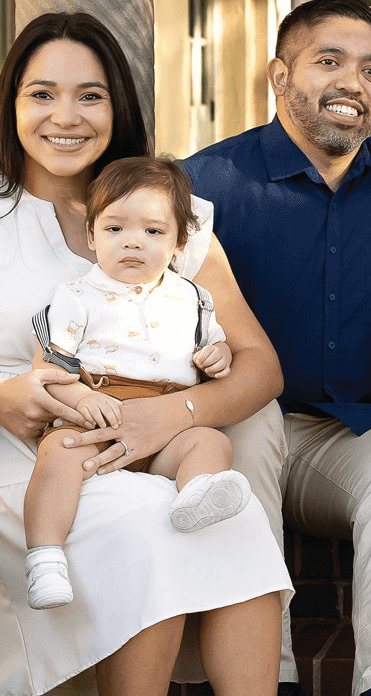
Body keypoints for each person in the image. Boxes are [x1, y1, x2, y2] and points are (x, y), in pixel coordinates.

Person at [0, 11, 288, 696]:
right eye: (42, 93)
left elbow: (259, 366)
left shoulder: (165, 220)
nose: (66, 116)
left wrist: (173, 415)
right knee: (146, 518)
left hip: (131, 468)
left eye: (89, 95)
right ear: (11, 105)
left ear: (117, 106)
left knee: (230, 513)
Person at [183, 0, 371, 696]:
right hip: (234, 428)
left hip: (346, 432)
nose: (352, 83)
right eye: (329, 61)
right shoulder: (202, 186)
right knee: (250, 417)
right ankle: (270, 680)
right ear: (279, 75)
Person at [24, 156, 256, 611]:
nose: (133, 243)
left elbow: (218, 349)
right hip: (97, 410)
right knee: (58, 455)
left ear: (178, 242)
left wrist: (219, 356)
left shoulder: (192, 297)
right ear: (92, 237)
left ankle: (195, 497)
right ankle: (45, 556)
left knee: (209, 442)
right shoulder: (75, 297)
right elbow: (50, 369)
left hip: (167, 420)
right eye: (115, 230)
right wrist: (81, 398)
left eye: (153, 232)